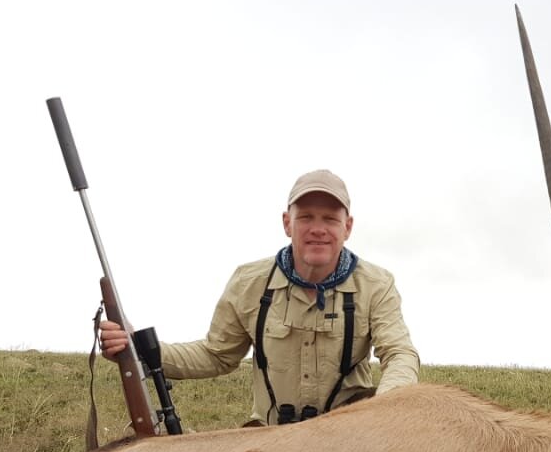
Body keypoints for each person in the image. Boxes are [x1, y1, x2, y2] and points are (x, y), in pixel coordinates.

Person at [100, 169, 420, 426]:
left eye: (330, 219)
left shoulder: (376, 284)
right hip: (269, 441)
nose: (318, 229)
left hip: (347, 436)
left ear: (347, 227)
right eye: (306, 217)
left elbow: (400, 354)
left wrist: (384, 412)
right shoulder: (249, 282)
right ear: (287, 223)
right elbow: (217, 355)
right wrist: (137, 349)